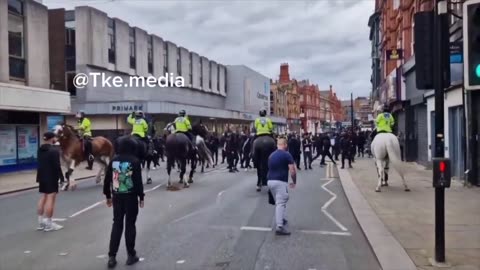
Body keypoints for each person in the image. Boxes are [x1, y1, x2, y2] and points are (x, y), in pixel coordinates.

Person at [103, 137, 145, 268]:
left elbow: (107, 180)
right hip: (131, 197)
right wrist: (141, 197)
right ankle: (130, 255)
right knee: (130, 225)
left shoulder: (114, 160)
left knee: (117, 224)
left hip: (117, 197)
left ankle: (112, 256)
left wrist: (108, 196)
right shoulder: (135, 161)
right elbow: (138, 182)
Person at [267, 137, 297, 236]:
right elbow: (292, 170)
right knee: (281, 202)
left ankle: (281, 218)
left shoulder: (271, 155)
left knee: (280, 200)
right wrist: (294, 181)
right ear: (285, 145)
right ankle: (279, 226)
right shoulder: (287, 155)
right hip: (280, 181)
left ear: (277, 145)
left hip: (270, 181)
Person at [36, 132, 64, 232]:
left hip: (42, 176)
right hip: (51, 176)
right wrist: (62, 178)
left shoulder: (40, 149)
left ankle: (40, 222)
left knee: (43, 196)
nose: (56, 138)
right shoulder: (54, 151)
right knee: (50, 198)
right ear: (52, 139)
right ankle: (49, 224)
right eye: (55, 137)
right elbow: (57, 166)